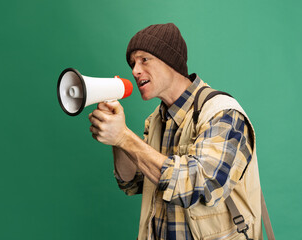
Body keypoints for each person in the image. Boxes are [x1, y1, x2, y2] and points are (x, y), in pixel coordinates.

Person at [89, 23, 262, 240]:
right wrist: (117, 141)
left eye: (144, 59)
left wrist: (124, 137)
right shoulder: (155, 120)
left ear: (170, 60)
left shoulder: (223, 113)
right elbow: (132, 182)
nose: (135, 70)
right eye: (132, 63)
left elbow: (200, 185)